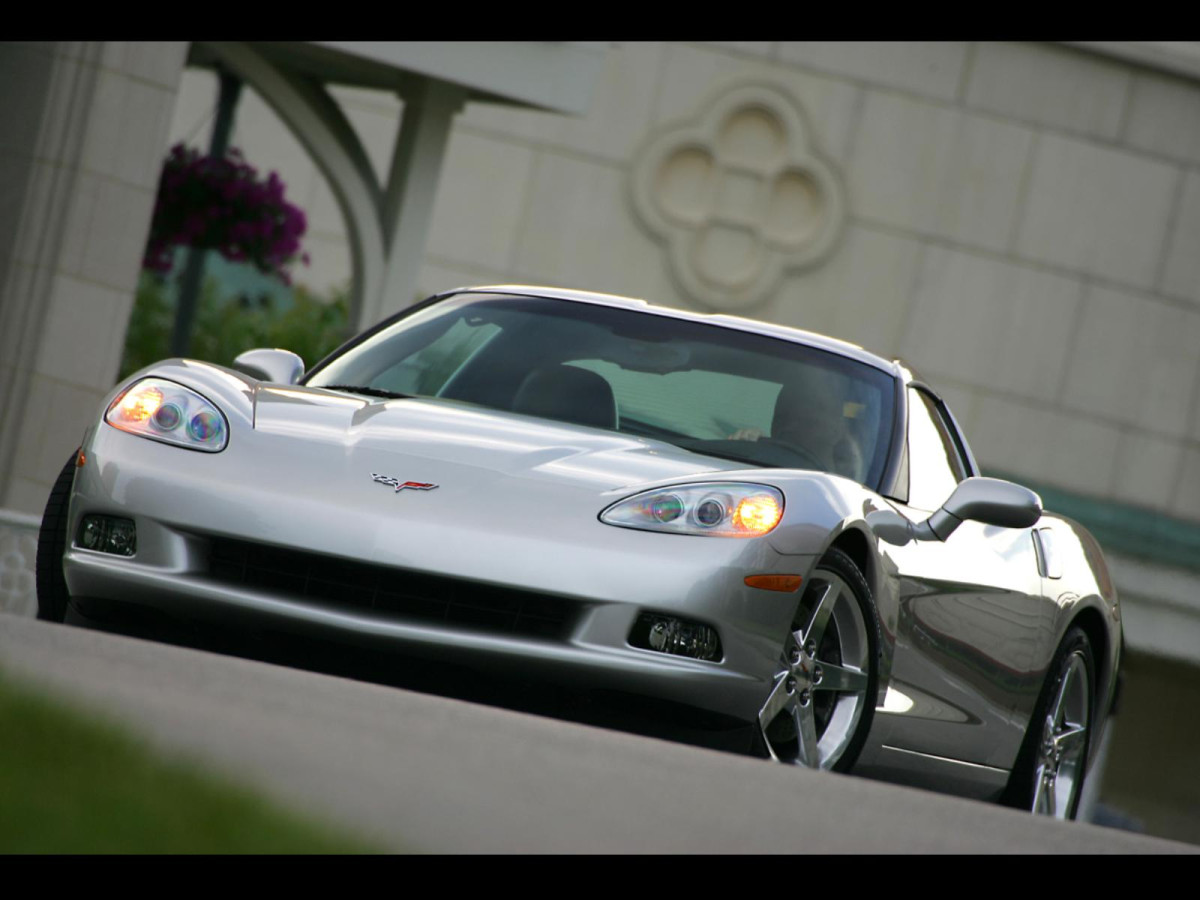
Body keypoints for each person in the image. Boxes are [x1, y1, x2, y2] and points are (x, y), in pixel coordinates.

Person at [729, 371, 863, 479]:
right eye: (789, 413)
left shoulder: (848, 487)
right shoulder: (758, 460)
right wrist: (741, 449)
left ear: (838, 425)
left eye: (815, 408)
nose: (801, 418)